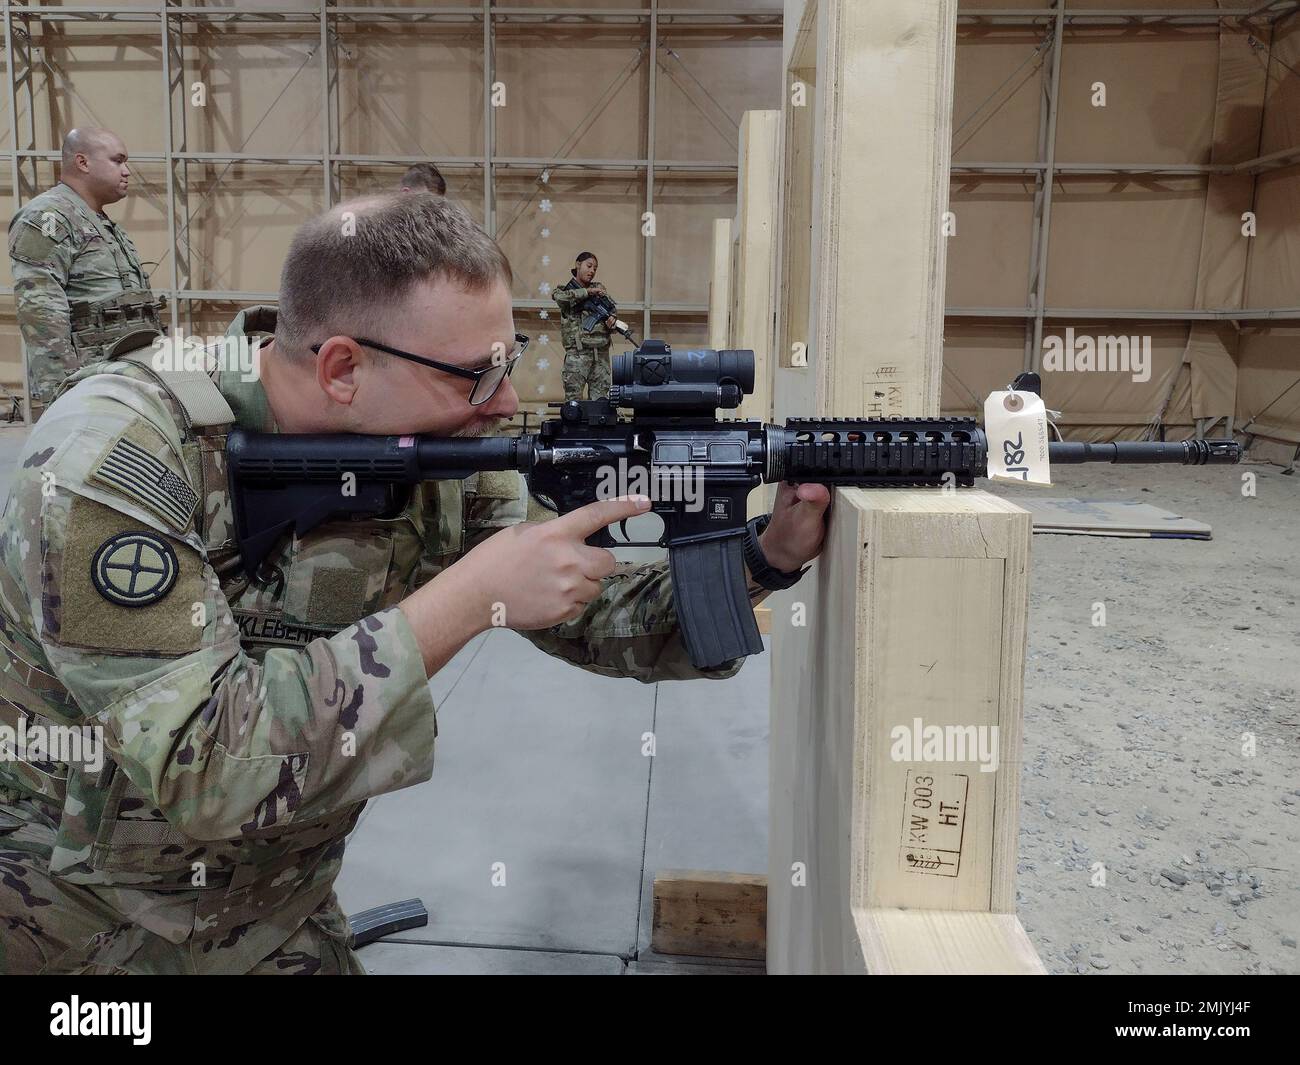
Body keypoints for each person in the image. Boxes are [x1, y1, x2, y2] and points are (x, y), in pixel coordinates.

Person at [0, 192, 829, 974]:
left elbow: (578, 608)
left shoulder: (446, 455)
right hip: (81, 922)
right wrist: (466, 598)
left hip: (274, 904)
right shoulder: (106, 464)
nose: (505, 403)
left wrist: (764, 558)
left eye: (512, 363)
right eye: (475, 375)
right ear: (342, 369)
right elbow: (212, 768)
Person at [7, 127, 161, 420]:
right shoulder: (48, 217)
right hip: (90, 384)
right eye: (118, 161)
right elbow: (40, 311)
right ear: (83, 162)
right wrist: (65, 392)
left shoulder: (100, 222)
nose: (127, 171)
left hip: (126, 375)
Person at [553, 251, 617, 401]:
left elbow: (612, 309)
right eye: (589, 266)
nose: (592, 271)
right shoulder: (564, 291)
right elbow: (560, 298)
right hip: (577, 354)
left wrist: (613, 318)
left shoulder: (599, 290)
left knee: (600, 404)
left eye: (595, 268)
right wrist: (588, 292)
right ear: (577, 265)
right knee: (573, 403)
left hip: (600, 355)